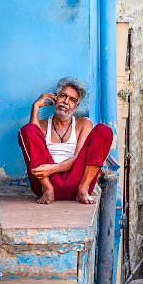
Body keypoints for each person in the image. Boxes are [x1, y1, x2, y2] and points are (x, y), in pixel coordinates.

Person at [17, 77, 113, 205]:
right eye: (63, 96)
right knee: (27, 130)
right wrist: (35, 107)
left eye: (72, 100)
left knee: (104, 130)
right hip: (45, 181)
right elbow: (31, 137)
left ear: (76, 106)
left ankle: (83, 189)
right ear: (55, 98)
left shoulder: (83, 124)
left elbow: (79, 157)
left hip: (77, 180)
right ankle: (48, 189)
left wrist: (52, 168)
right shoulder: (43, 125)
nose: (66, 102)